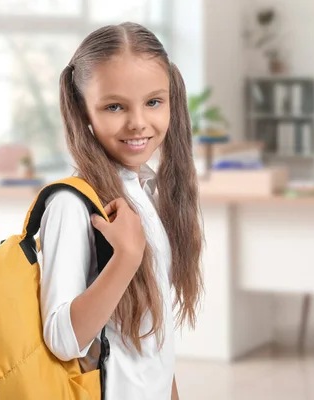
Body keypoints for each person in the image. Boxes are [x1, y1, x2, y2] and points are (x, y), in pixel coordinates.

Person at [37, 22, 203, 400]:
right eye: (114, 106)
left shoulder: (145, 190)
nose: (138, 122)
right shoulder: (71, 204)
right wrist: (126, 257)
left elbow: (153, 343)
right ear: (83, 111)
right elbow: (62, 339)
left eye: (154, 102)